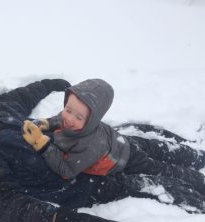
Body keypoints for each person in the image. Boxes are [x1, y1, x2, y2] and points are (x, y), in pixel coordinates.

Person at [0, 75, 205, 222]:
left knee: (139, 138)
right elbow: (2, 204)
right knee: (157, 183)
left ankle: (197, 154)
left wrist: (51, 84)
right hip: (74, 184)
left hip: (74, 143)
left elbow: (24, 95)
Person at [22, 79, 205, 197]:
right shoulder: (72, 119)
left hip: (123, 159)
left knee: (160, 168)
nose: (69, 118)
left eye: (78, 117)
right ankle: (194, 156)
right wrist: (47, 123)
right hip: (122, 142)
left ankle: (197, 177)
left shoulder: (89, 145)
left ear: (93, 119)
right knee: (153, 148)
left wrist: (44, 146)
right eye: (68, 109)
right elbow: (60, 119)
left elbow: (68, 170)